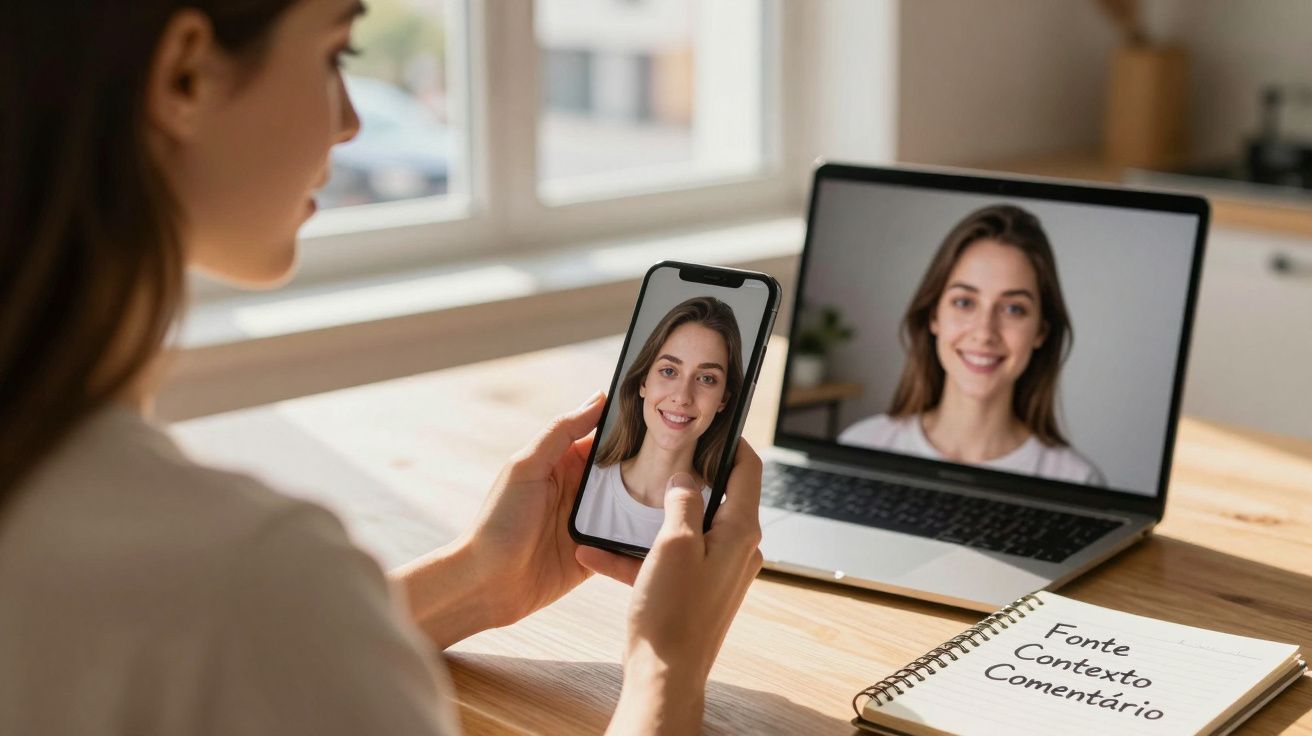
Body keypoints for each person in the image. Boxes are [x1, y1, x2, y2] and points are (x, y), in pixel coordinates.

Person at [0, 2, 764, 734]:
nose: (351, 121)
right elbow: (245, 626)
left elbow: (260, 661)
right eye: (336, 52)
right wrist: (669, 664)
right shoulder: (239, 567)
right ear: (185, 76)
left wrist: (476, 580)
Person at [838, 205, 1105, 485]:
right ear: (934, 316)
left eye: (1013, 309)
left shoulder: (1077, 480)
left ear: (1041, 331)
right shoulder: (858, 446)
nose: (984, 332)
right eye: (964, 302)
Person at [575, 297, 745, 548]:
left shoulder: (721, 521)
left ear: (724, 400)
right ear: (644, 381)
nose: (682, 397)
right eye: (669, 371)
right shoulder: (582, 485)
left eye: (707, 378)